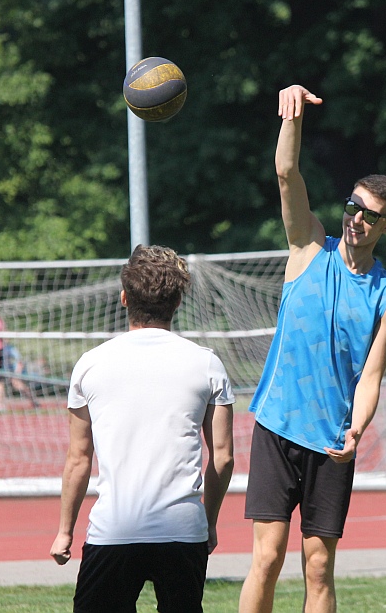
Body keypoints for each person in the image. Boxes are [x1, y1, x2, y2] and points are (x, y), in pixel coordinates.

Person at [239, 85, 386, 613]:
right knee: (266, 559)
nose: (356, 218)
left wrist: (356, 430)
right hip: (277, 425)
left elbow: (372, 375)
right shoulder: (309, 246)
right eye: (353, 206)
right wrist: (291, 119)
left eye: (370, 214)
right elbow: (287, 175)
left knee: (317, 566)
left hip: (333, 441)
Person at [50, 245, 235, 613]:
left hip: (115, 530)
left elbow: (78, 459)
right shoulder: (207, 364)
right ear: (178, 301)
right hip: (183, 530)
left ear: (123, 298)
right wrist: (208, 522)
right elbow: (224, 457)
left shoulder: (90, 365)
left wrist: (65, 531)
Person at [3, 343, 39, 409]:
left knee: (19, 385)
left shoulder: (10, 348)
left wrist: (16, 374)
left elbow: (20, 362)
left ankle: (33, 401)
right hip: (2, 371)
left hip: (14, 372)